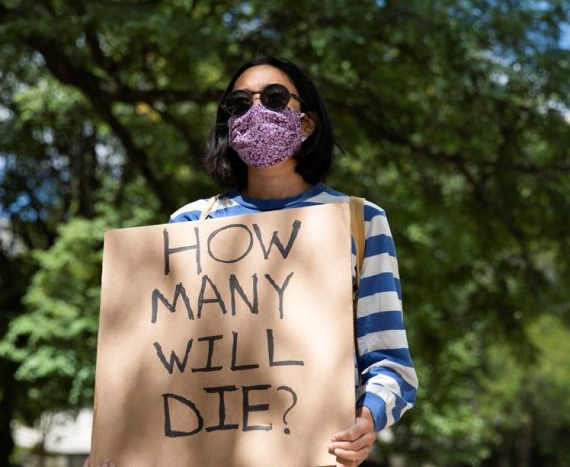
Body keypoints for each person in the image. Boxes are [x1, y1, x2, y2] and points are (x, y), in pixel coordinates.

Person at [169, 56, 418, 466]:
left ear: (306, 123)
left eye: (274, 97)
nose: (256, 111)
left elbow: (390, 363)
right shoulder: (190, 224)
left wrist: (367, 419)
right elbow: (162, 359)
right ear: (228, 125)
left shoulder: (359, 222)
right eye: (239, 104)